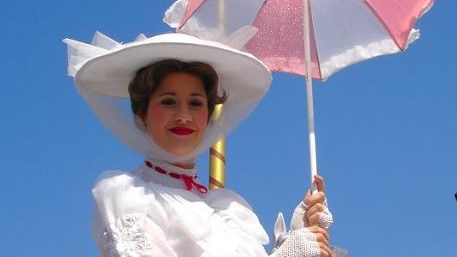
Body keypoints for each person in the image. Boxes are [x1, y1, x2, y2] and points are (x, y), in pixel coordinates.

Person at [64, 31, 333, 257]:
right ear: (141, 114)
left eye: (195, 103)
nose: (183, 115)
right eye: (168, 101)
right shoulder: (127, 193)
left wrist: (299, 236)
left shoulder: (227, 208)